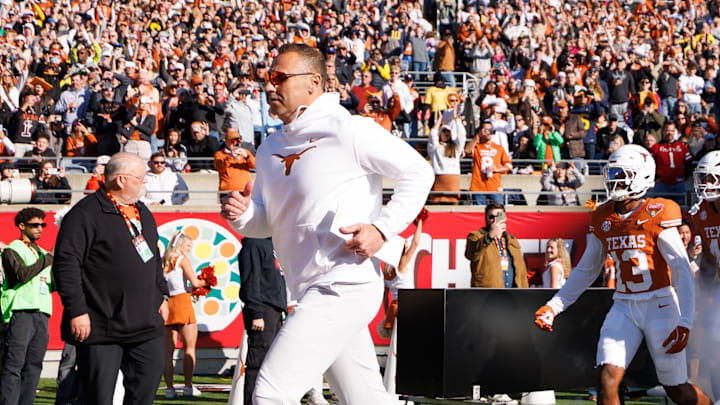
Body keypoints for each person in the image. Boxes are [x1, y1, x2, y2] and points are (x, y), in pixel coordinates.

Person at [220, 44, 433, 404]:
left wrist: (381, 229)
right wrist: (243, 214)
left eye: (279, 78)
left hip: (343, 285)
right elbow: (265, 223)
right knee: (367, 401)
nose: (269, 86)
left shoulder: (349, 130)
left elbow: (419, 172)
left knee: (270, 395)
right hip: (308, 289)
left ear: (313, 83)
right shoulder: (269, 147)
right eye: (267, 78)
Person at [535, 145, 712, 405]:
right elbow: (586, 268)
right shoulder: (604, 215)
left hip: (660, 304)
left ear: (641, 176)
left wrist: (685, 320)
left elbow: (681, 268)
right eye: (612, 172)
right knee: (607, 379)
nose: (614, 179)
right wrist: (554, 306)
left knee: (676, 389)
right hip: (624, 306)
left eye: (622, 173)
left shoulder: (658, 212)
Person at [52, 152, 169, 405]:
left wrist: (162, 294)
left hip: (146, 325)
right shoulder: (85, 214)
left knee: (144, 392)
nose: (144, 182)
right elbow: (66, 265)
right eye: (140, 178)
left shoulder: (142, 212)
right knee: (98, 397)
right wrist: (77, 310)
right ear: (120, 180)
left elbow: (153, 258)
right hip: (100, 325)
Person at [0, 208, 54, 405]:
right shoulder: (12, 249)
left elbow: (50, 284)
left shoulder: (41, 252)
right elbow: (21, 275)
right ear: (22, 226)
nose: (40, 229)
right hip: (20, 312)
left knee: (33, 366)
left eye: (42, 225)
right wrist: (48, 258)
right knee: (13, 365)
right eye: (35, 225)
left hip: (42, 312)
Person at [238, 237, 287, 405]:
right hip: (262, 309)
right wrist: (256, 312)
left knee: (271, 363)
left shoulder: (274, 243)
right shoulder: (253, 243)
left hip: (275, 309)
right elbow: (250, 280)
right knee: (257, 362)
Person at [689, 151, 720, 400]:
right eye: (703, 178)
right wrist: (703, 290)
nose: (705, 184)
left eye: (711, 178)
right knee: (713, 339)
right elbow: (709, 258)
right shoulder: (702, 213)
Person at [162, 232, 206, 399]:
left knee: (167, 352)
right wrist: (207, 281)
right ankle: (188, 386)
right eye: (187, 245)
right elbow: (195, 282)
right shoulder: (182, 260)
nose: (189, 249)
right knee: (189, 348)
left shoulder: (165, 261)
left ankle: (169, 389)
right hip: (182, 303)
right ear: (180, 245)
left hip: (168, 304)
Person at [464, 202, 528, 288]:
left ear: (504, 218)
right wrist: (490, 235)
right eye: (491, 217)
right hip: (488, 292)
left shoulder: (512, 240)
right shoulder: (476, 236)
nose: (495, 220)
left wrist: (524, 290)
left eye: (499, 216)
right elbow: (471, 254)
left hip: (513, 293)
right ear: (486, 218)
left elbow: (522, 271)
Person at [465, 120, 512, 205]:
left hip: (494, 186)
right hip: (478, 186)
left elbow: (508, 165)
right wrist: (477, 137)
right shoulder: (477, 147)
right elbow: (467, 151)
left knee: (499, 212)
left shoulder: (499, 148)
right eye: (485, 130)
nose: (488, 132)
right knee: (478, 215)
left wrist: (497, 169)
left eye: (490, 130)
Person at [427, 121, 465, 204]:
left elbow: (462, 136)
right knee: (435, 204)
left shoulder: (456, 148)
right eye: (444, 131)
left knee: (454, 203)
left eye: (448, 131)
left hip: (453, 179)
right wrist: (438, 120)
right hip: (438, 179)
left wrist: (457, 120)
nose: (446, 133)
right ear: (440, 134)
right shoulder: (435, 147)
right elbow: (432, 135)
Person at [214, 128, 255, 193]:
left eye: (237, 140)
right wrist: (230, 156)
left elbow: (255, 166)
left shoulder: (245, 152)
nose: (235, 143)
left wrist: (247, 157)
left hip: (244, 190)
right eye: (232, 141)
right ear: (226, 141)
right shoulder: (220, 154)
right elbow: (219, 167)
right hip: (227, 192)